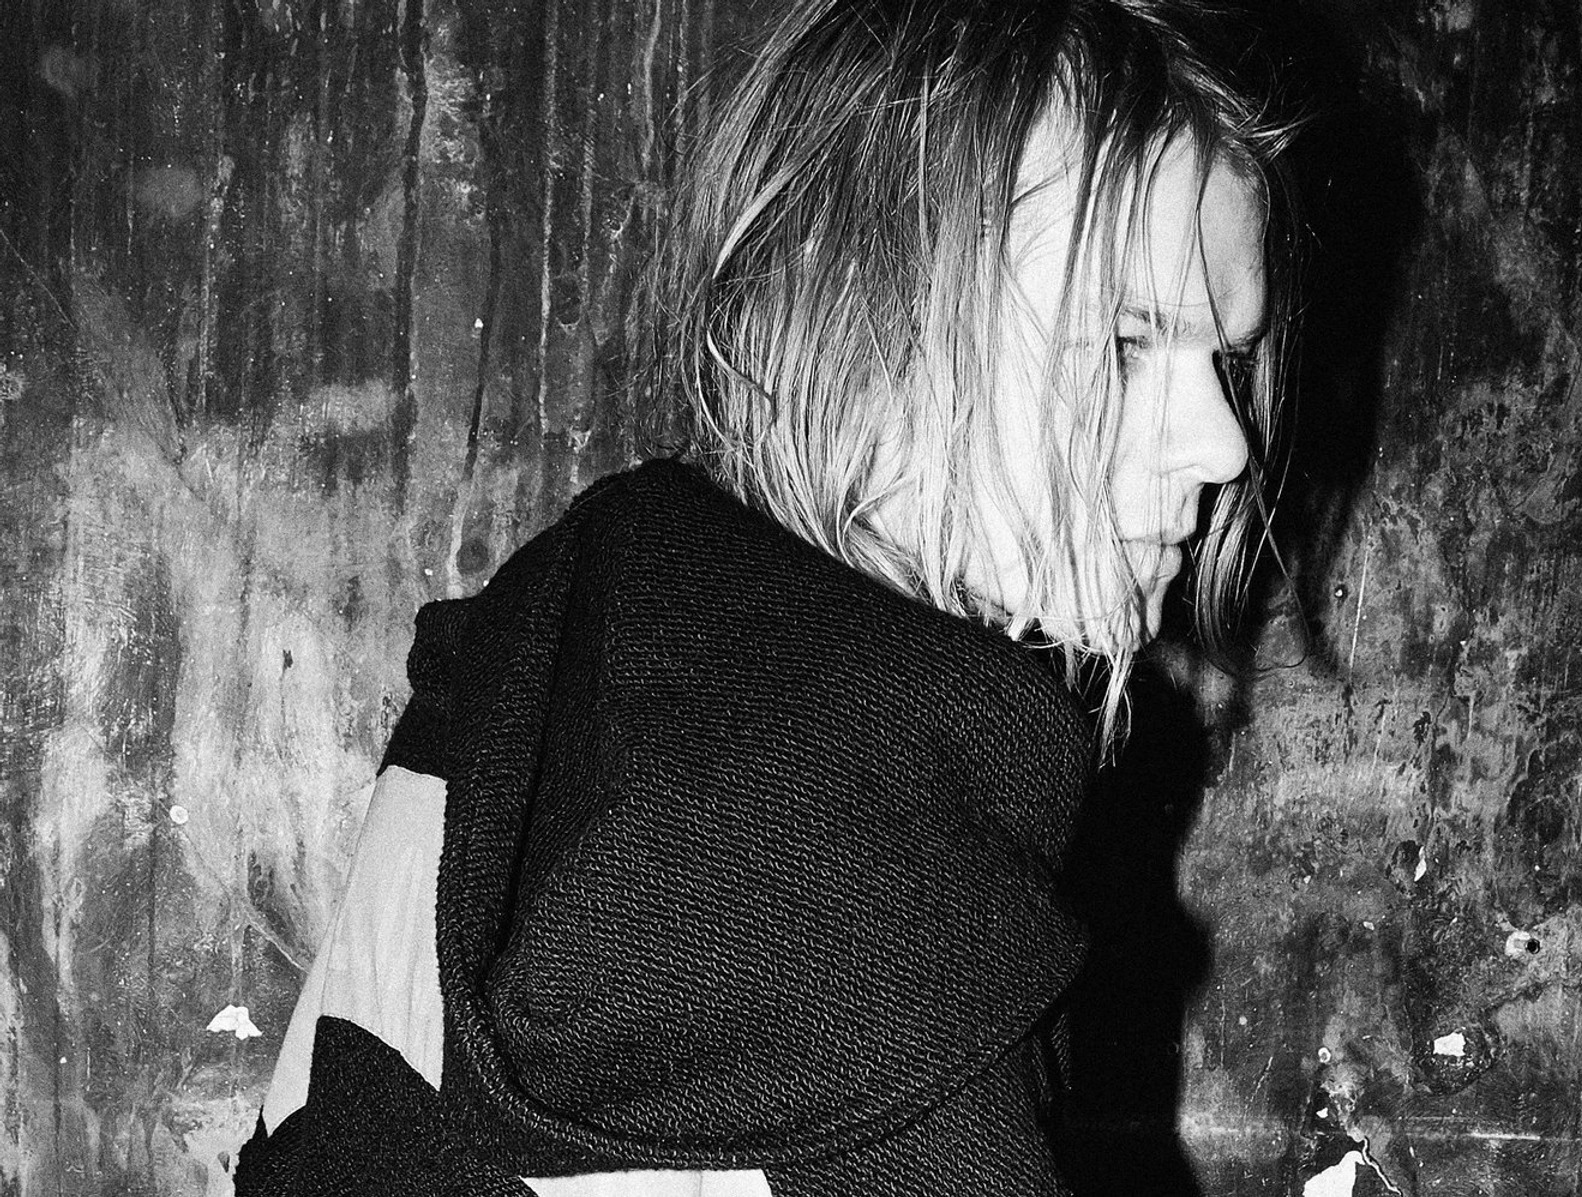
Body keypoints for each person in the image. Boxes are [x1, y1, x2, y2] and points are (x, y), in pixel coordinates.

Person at [234, 0, 1295, 1193]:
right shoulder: (885, 919)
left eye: (1225, 360)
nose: (1222, 444)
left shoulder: (553, 653)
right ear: (868, 308)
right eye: (1129, 340)